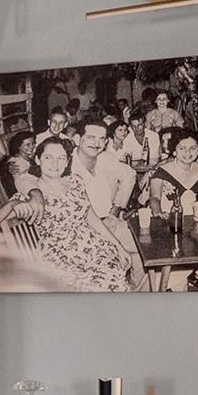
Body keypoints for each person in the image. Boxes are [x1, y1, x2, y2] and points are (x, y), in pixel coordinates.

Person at [0, 135, 136, 291]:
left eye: (61, 158)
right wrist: (13, 204)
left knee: (118, 282)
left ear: (67, 162)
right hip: (61, 256)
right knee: (106, 287)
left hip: (94, 249)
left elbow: (91, 218)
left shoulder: (76, 181)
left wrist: (118, 246)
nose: (55, 164)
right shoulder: (32, 194)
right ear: (38, 159)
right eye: (48, 157)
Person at [70, 115, 147, 287]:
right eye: (90, 137)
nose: (96, 143)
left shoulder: (105, 158)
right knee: (114, 261)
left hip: (112, 221)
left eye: (101, 139)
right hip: (84, 232)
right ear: (77, 139)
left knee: (146, 251)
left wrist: (118, 207)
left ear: (106, 142)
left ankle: (138, 295)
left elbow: (130, 174)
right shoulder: (66, 164)